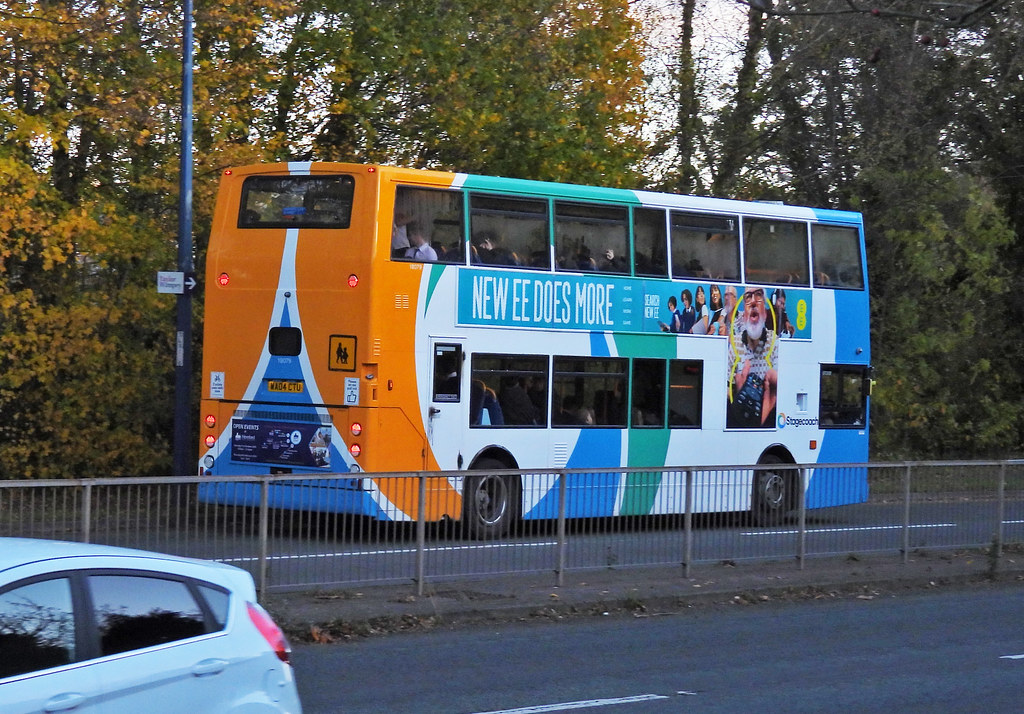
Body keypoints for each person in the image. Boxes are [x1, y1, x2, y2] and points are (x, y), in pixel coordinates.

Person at [727, 287, 778, 428]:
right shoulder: (735, 344)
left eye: (758, 295)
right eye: (748, 297)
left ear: (765, 314)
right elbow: (723, 387)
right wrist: (738, 393)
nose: (753, 302)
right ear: (744, 316)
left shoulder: (775, 342)